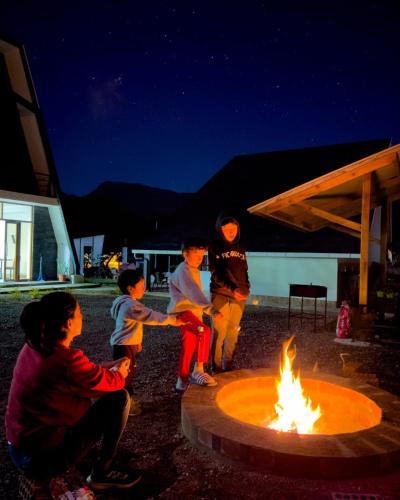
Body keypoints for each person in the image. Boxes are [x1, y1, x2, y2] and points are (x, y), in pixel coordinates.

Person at [5, 292, 141, 491]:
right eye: (79, 313)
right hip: (40, 458)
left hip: (19, 448)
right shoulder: (67, 361)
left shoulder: (34, 346)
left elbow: (85, 374)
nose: (82, 317)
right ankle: (102, 472)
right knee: (119, 398)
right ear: (68, 323)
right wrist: (120, 371)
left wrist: (110, 366)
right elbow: (111, 383)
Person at [110, 269, 184, 414]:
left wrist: (136, 342)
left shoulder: (124, 303)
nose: (144, 288)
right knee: (125, 375)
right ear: (130, 288)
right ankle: (126, 404)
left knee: (126, 374)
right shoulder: (130, 306)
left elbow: (129, 326)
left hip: (125, 344)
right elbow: (150, 316)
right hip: (124, 346)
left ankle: (124, 401)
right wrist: (172, 321)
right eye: (141, 285)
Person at [167, 237, 223, 392]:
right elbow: (193, 292)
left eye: (202, 255)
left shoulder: (192, 270)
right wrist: (211, 310)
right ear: (185, 253)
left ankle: (182, 381)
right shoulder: (183, 271)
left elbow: (194, 294)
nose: (200, 258)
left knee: (189, 344)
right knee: (204, 331)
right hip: (183, 312)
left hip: (190, 313)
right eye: (196, 254)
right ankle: (199, 369)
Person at [208, 212, 250, 372]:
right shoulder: (215, 247)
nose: (231, 231)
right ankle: (215, 367)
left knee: (233, 331)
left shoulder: (241, 248)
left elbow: (244, 270)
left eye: (234, 227)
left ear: (238, 229)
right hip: (221, 294)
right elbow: (216, 273)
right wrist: (233, 288)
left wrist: (246, 286)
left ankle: (228, 364)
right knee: (219, 332)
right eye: (227, 228)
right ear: (221, 230)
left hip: (239, 296)